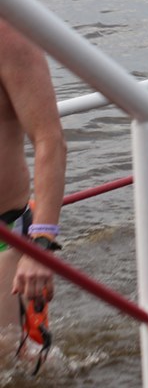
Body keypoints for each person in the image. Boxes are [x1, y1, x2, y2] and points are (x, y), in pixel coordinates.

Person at [0, 18, 66, 331]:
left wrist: (40, 246)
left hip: (4, 238)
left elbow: (49, 140)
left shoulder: (9, 37)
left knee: (7, 353)